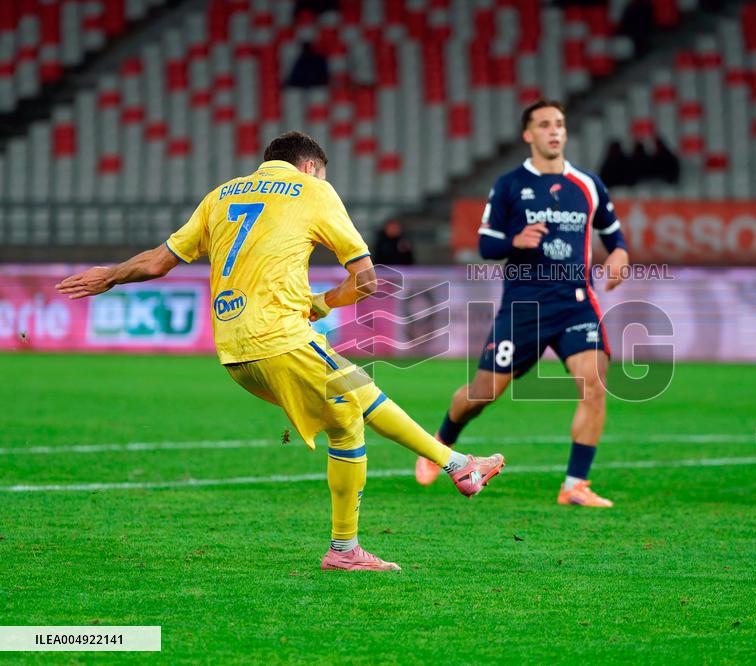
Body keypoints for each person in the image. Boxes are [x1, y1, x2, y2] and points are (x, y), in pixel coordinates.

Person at [56, 131, 505, 569]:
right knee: (357, 396)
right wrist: (323, 302)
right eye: (322, 175)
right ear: (309, 167)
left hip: (234, 351)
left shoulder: (220, 196)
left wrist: (109, 275)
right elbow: (368, 280)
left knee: (349, 414)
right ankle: (455, 468)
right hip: (280, 336)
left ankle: (354, 543)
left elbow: (158, 262)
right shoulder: (312, 190)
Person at [413, 99, 630, 507]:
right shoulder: (510, 185)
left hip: (576, 303)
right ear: (528, 134)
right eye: (544, 124)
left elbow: (614, 236)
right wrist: (515, 240)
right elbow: (485, 244)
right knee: (482, 393)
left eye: (559, 123)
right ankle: (441, 441)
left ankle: (575, 485)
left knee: (594, 385)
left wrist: (619, 254)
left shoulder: (588, 184)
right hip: (524, 307)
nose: (554, 130)